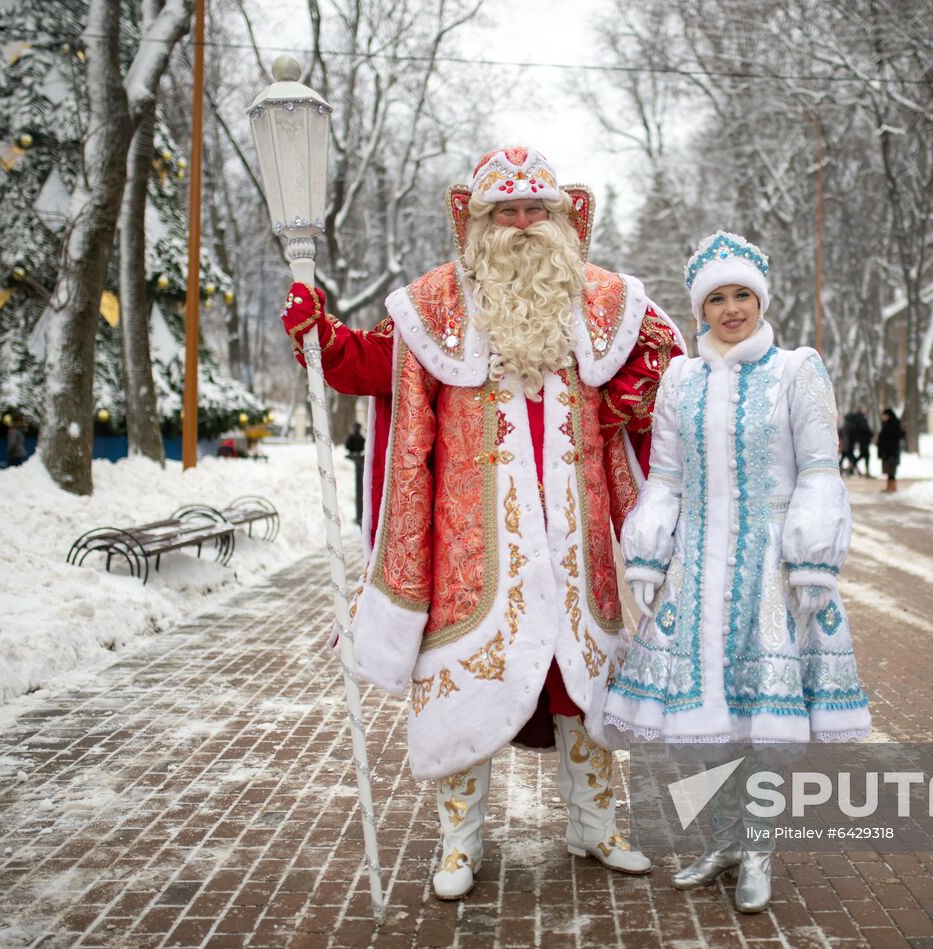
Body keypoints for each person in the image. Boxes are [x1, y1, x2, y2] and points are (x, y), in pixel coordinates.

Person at [278, 147, 684, 900]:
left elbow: (668, 364)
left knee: (579, 686)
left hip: (577, 546)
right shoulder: (434, 304)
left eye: (536, 210)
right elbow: (367, 364)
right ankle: (459, 843)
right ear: (478, 222)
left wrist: (638, 395)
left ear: (561, 219)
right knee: (465, 687)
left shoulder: (604, 300)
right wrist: (322, 335)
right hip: (473, 551)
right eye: (506, 211)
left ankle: (596, 826)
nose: (522, 224)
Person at [603, 231, 871, 913]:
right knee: (699, 721)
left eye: (741, 295)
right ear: (700, 309)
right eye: (716, 298)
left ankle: (759, 848)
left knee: (759, 722)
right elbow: (666, 477)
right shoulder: (681, 379)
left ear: (760, 300)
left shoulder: (796, 371)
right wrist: (647, 552)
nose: (730, 309)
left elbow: (820, 471)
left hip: (769, 568)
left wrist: (811, 558)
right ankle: (723, 839)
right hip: (696, 569)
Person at [877, 407, 904, 493]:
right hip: (888, 452)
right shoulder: (887, 424)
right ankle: (889, 486)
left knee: (891, 470)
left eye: (884, 415)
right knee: (889, 471)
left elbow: (893, 439)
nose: (883, 417)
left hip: (891, 452)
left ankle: (892, 487)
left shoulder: (893, 425)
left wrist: (889, 450)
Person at [344, 422, 366, 525]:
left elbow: (347, 446)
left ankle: (359, 516)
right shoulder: (361, 438)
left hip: (357, 459)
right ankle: (359, 516)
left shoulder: (354, 438)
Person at [847, 407, 873, 477]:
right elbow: (864, 428)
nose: (865, 410)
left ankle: (853, 464)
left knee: (864, 455)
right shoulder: (859, 418)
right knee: (865, 455)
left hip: (863, 439)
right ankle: (854, 465)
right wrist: (870, 433)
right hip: (863, 440)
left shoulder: (860, 418)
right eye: (864, 409)